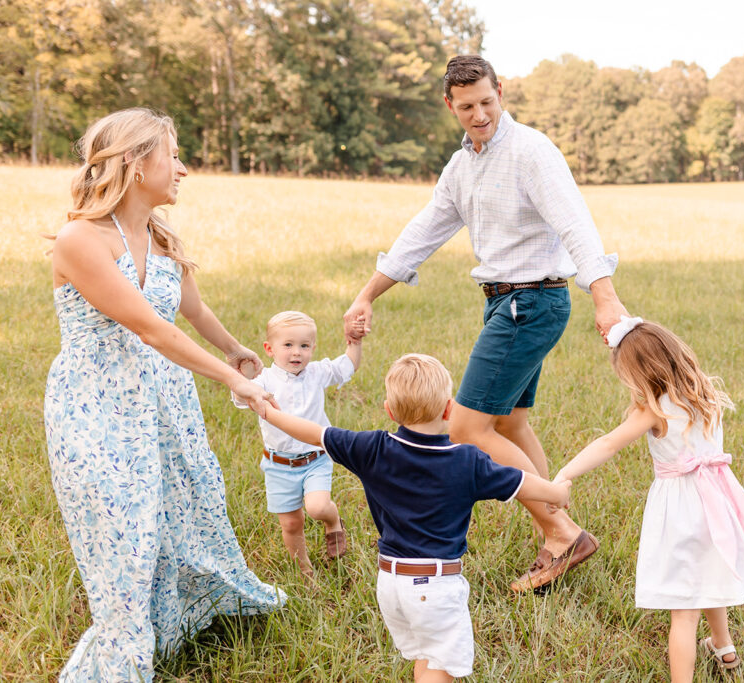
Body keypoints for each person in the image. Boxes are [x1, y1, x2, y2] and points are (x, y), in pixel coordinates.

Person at [342, 54, 627, 592]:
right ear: (450, 105)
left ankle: (563, 533)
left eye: (487, 102)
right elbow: (423, 232)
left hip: (532, 303)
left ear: (502, 92)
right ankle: (557, 529)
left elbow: (576, 225)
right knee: (510, 423)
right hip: (505, 303)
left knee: (467, 428)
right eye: (467, 106)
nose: (479, 115)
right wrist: (367, 293)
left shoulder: (531, 152)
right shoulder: (461, 166)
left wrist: (605, 298)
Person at [44, 107, 285, 681]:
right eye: (172, 155)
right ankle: (125, 647)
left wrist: (234, 351)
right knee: (124, 523)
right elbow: (151, 328)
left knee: (183, 506)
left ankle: (181, 617)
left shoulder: (159, 234)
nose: (183, 168)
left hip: (162, 398)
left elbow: (190, 309)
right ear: (134, 161)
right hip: (97, 403)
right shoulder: (82, 240)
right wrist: (231, 381)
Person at [260, 353, 572, 682]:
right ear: (449, 410)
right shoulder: (468, 461)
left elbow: (314, 433)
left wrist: (267, 411)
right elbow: (521, 481)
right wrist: (557, 493)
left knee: (426, 656)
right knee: (441, 667)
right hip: (434, 586)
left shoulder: (372, 448)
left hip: (390, 584)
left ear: (390, 411)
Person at [552, 318, 744, 682]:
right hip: (718, 502)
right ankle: (724, 648)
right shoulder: (706, 392)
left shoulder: (655, 410)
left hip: (681, 511)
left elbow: (608, 443)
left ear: (640, 374)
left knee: (683, 611)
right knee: (710, 575)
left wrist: (565, 473)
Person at [232, 310, 364, 578]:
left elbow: (347, 366)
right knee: (291, 523)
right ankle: (305, 574)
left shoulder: (316, 372)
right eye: (288, 345)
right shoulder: (264, 381)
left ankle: (333, 520)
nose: (297, 353)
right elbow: (239, 398)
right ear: (269, 349)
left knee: (317, 507)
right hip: (278, 464)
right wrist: (240, 380)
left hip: (315, 459)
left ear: (313, 348)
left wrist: (355, 342)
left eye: (304, 346)